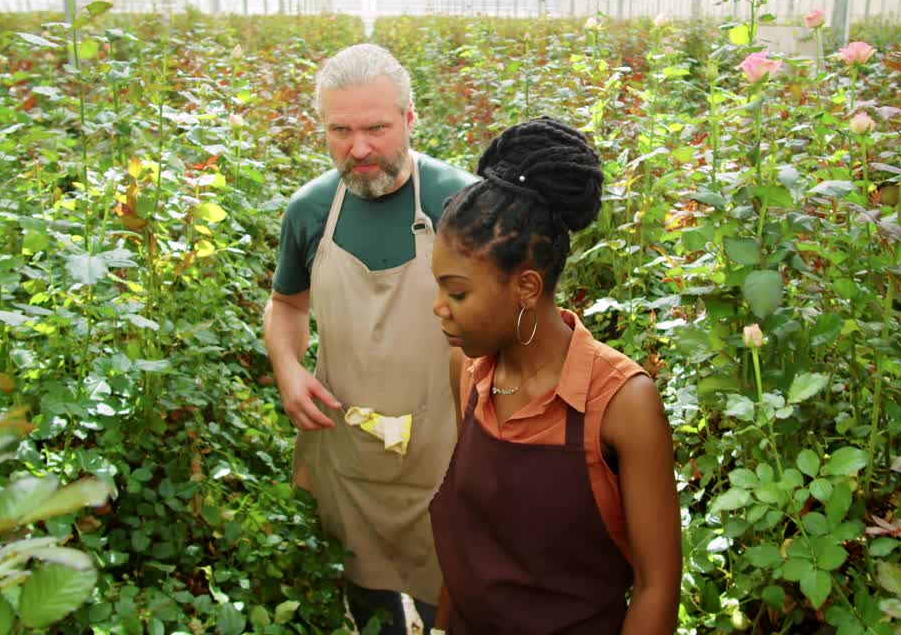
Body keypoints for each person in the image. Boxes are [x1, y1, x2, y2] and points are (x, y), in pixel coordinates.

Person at [428, 117, 682, 633]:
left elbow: (658, 588)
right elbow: (468, 540)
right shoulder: (469, 373)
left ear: (525, 288)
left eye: (457, 293)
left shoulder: (621, 405)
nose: (439, 309)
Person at [263, 43, 475, 634]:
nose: (358, 149)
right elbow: (286, 304)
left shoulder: (461, 202)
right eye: (340, 130)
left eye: (376, 129)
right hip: (349, 450)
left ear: (410, 119)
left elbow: (513, 329)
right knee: (368, 598)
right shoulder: (310, 210)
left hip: (450, 454)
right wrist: (288, 367)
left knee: (452, 601)